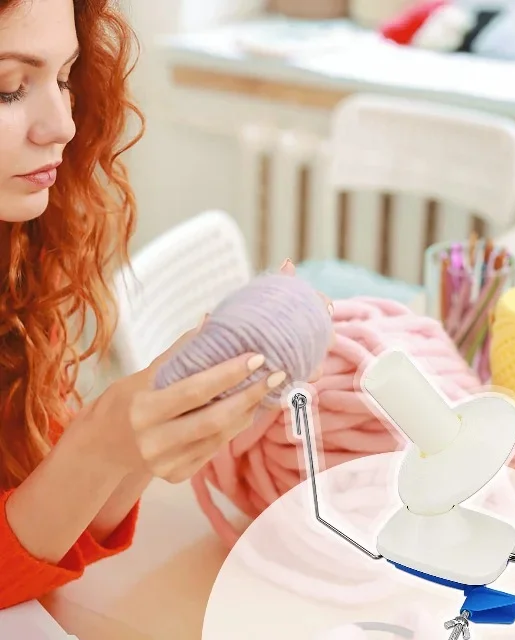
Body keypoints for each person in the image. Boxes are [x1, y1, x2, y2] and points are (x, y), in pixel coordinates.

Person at [0, 0, 332, 611]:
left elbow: (37, 518)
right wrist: (100, 440)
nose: (63, 125)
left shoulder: (18, 256)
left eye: (65, 78)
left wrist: (137, 439)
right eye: (9, 88)